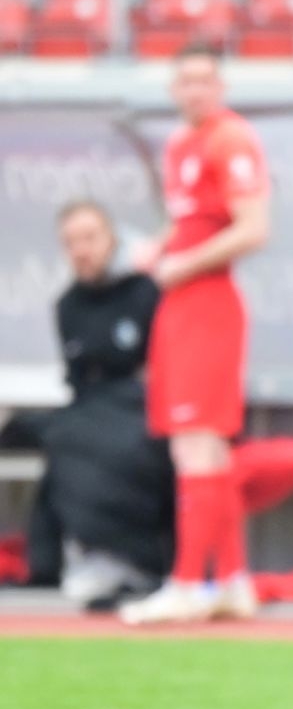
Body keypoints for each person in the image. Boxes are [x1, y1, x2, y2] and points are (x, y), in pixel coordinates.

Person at [119, 43, 271, 625]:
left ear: (221, 87)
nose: (195, 91)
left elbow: (254, 228)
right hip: (182, 303)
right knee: (204, 447)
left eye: (205, 80)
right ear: (172, 89)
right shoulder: (182, 144)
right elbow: (190, 221)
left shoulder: (230, 139)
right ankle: (232, 580)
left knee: (196, 444)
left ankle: (186, 582)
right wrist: (162, 246)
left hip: (207, 302)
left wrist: (182, 264)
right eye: (185, 81)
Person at [32, 201, 172, 606]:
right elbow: (78, 378)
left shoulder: (146, 291)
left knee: (117, 444)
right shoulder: (67, 305)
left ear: (112, 239)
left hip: (139, 413)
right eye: (71, 242)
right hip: (87, 414)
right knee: (61, 437)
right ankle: (69, 561)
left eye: (89, 238)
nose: (81, 250)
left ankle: (135, 560)